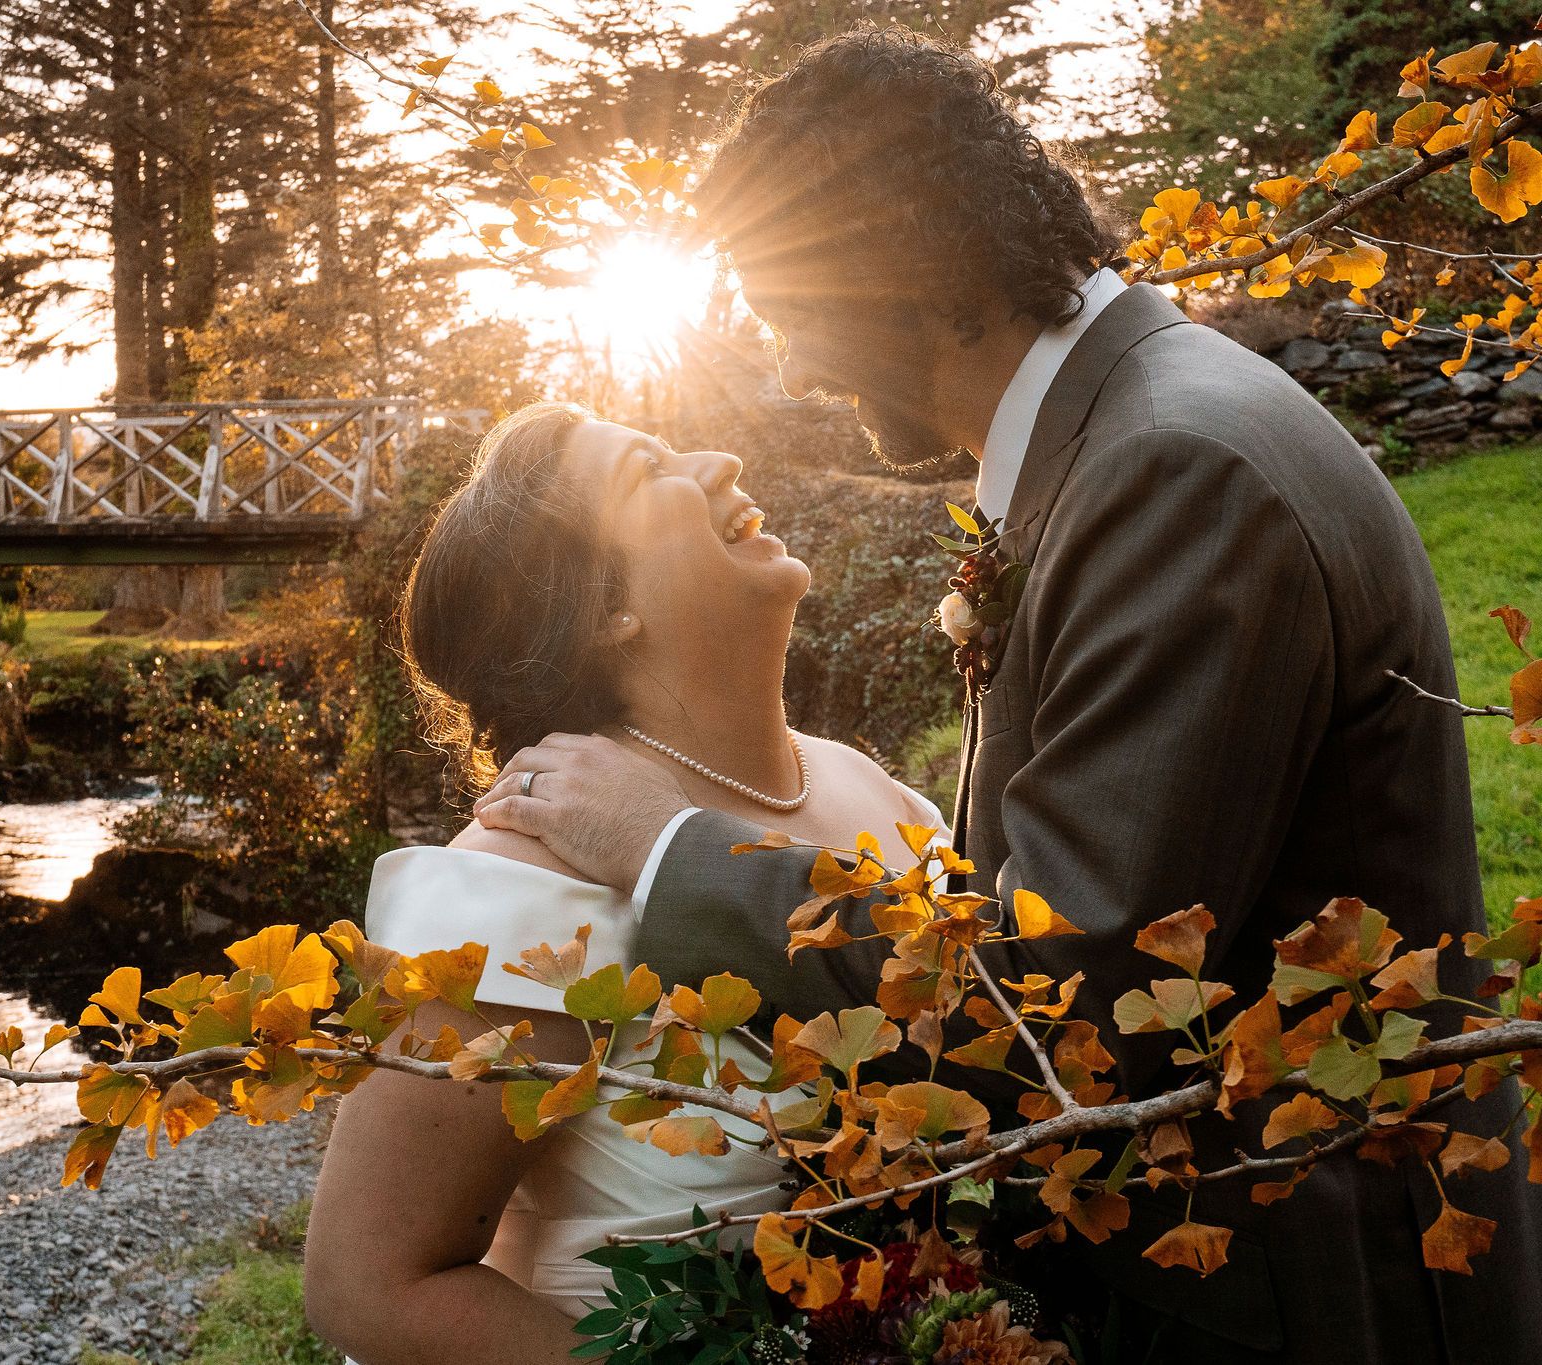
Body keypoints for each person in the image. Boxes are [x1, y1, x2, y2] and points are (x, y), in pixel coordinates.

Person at [467, 24, 1542, 1365]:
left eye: (791, 311)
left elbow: (1064, 991)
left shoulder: (1175, 473)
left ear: (900, 272)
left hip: (1303, 1295)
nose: (797, 370)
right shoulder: (1130, 435)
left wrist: (665, 851)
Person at [302, 402, 945, 1362]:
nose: (723, 455)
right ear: (606, 608)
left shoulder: (872, 788)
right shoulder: (521, 882)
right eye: (651, 470)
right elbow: (370, 1286)